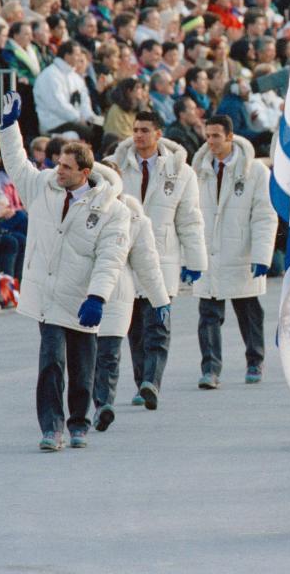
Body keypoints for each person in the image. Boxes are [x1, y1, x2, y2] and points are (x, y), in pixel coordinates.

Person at [0, 91, 130, 451]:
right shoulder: (42, 187)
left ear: (85, 173)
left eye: (67, 168)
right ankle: (51, 427)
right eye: (57, 164)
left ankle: (78, 423)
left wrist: (98, 297)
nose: (58, 171)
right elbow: (17, 164)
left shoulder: (112, 210)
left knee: (82, 367)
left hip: (83, 297)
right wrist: (10, 127)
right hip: (47, 294)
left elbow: (110, 258)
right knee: (51, 361)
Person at [110, 111, 206, 410]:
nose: (138, 135)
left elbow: (189, 219)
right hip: (126, 256)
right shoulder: (115, 168)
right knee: (134, 326)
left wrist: (195, 260)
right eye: (135, 130)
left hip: (162, 256)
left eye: (145, 130)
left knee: (158, 324)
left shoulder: (180, 172)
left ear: (158, 134)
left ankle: (152, 381)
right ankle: (142, 382)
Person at [192, 115, 277, 389]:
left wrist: (262, 255)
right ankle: (210, 369)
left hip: (241, 252)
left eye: (216, 136)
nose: (211, 142)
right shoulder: (199, 170)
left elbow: (265, 215)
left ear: (230, 136)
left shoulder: (255, 172)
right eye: (207, 136)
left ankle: (255, 361)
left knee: (248, 310)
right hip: (209, 252)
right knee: (208, 313)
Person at [92, 159, 171, 432]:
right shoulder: (79, 208)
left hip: (118, 291)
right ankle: (95, 403)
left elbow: (147, 261)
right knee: (88, 354)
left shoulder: (132, 213)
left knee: (109, 353)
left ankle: (104, 405)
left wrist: (160, 299)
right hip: (81, 291)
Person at [164, 95, 206, 164]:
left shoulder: (193, 129)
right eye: (193, 109)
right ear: (182, 115)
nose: (197, 112)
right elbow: (194, 159)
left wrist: (202, 136)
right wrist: (204, 139)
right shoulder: (175, 134)